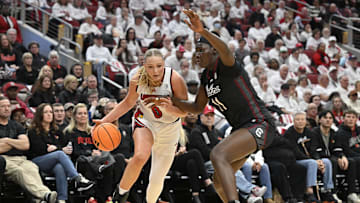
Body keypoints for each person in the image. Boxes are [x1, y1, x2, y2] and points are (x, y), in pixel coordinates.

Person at [170, 10, 276, 203]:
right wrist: (172, 100)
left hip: (260, 123)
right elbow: (196, 107)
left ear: (214, 52)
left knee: (217, 154)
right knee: (218, 181)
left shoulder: (226, 65)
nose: (198, 54)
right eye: (197, 51)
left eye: (202, 50)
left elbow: (226, 49)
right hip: (242, 129)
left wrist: (203, 31)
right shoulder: (206, 78)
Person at [95, 48, 188, 203]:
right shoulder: (137, 79)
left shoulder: (174, 79)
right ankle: (120, 195)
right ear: (144, 66)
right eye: (150, 67)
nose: (155, 71)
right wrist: (105, 120)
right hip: (145, 121)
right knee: (139, 156)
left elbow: (185, 111)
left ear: (164, 65)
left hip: (169, 128)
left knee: (157, 179)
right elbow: (128, 103)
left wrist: (169, 108)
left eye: (159, 66)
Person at [27, 103, 94, 203]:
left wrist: (56, 148)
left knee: (59, 167)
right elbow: (39, 149)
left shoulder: (56, 130)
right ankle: (77, 178)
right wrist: (57, 149)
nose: (49, 114)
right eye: (46, 112)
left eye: (50, 112)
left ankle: (62, 199)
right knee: (60, 154)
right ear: (40, 114)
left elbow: (62, 145)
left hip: (53, 161)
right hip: (37, 161)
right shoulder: (33, 131)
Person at [0, 96, 57, 202]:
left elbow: (25, 145)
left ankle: (40, 198)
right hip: (4, 159)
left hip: (21, 158)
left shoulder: (16, 126)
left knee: (32, 168)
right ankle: (44, 195)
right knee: (19, 171)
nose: (7, 108)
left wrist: (7, 140)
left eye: (8, 106)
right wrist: (16, 142)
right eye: (3, 106)